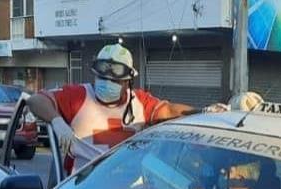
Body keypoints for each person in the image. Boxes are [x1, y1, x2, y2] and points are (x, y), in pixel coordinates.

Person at [27, 43, 226, 174]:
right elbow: (36, 100)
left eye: (114, 80)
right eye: (102, 78)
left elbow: (170, 110)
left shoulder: (139, 102)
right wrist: (57, 121)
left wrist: (204, 112)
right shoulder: (78, 96)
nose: (106, 83)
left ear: (128, 81)